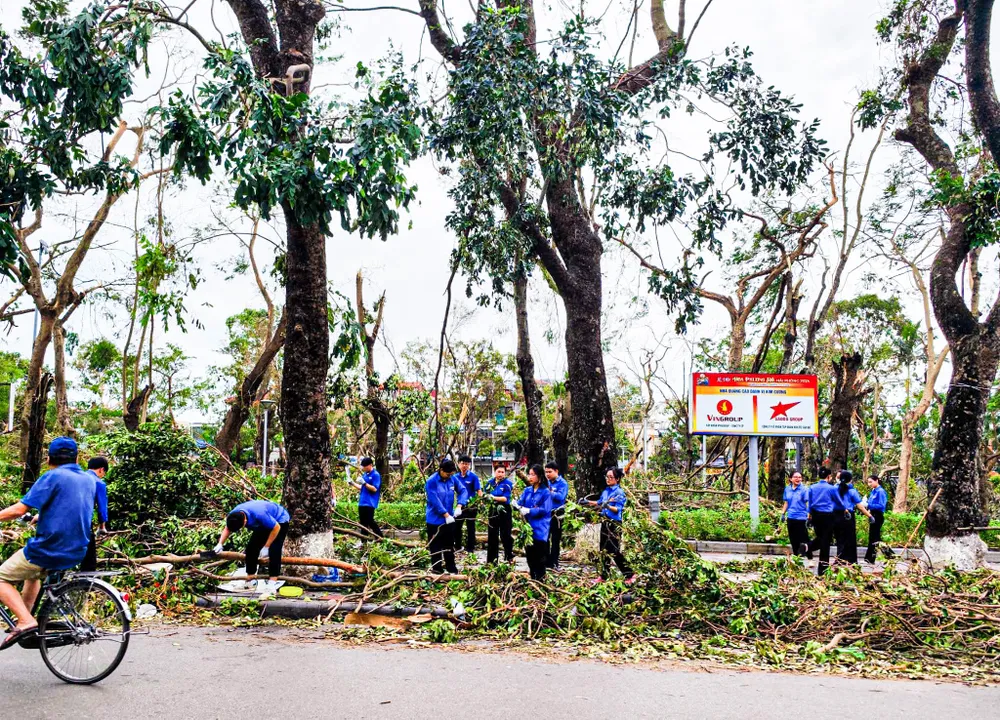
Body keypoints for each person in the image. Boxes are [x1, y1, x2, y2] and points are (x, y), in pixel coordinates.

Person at [0, 437, 96, 649]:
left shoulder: (52, 476)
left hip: (50, 549)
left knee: (1, 578)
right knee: (32, 574)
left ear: (49, 459)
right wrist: (40, 517)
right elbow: (72, 507)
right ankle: (22, 619)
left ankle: (26, 621)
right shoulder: (89, 479)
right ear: (77, 458)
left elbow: (18, 510)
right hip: (77, 549)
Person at [214, 500, 290, 591]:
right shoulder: (233, 515)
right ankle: (251, 580)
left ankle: (272, 582)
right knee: (251, 549)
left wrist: (266, 546)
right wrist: (220, 544)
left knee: (274, 549)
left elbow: (276, 527)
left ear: (245, 521)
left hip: (279, 520)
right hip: (263, 524)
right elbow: (227, 528)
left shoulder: (260, 514)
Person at [587, 467, 635, 584]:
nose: (608, 479)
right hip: (605, 522)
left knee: (614, 550)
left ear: (617, 479)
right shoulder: (606, 491)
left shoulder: (619, 493)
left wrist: (607, 506)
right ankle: (604, 576)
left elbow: (617, 509)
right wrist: (586, 502)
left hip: (614, 523)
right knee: (603, 549)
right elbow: (599, 503)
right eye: (607, 477)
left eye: (611, 477)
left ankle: (630, 574)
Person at [424, 460, 468, 574]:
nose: (449, 476)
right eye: (448, 474)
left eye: (451, 474)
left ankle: (451, 568)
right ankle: (437, 569)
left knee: (449, 544)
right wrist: (445, 514)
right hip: (435, 519)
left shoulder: (452, 479)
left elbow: (463, 490)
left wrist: (459, 505)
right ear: (441, 470)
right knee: (435, 546)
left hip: (449, 519)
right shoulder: (431, 481)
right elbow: (434, 500)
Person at [512, 464, 552, 580]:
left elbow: (545, 509)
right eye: (529, 474)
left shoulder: (545, 492)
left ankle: (540, 580)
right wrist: (516, 505)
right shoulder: (527, 491)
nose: (530, 477)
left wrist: (529, 510)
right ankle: (533, 578)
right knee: (530, 557)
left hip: (540, 528)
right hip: (528, 529)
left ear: (539, 476)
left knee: (540, 558)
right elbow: (521, 503)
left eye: (533, 474)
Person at [832, 470, 874, 566]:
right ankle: (851, 561)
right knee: (850, 539)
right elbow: (859, 506)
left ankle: (840, 560)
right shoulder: (852, 491)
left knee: (839, 539)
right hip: (848, 517)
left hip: (836, 516)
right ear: (850, 480)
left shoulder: (834, 489)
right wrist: (869, 516)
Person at [81, 456, 110, 572]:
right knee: (89, 558)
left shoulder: (76, 478)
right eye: (104, 473)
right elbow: (102, 508)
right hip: (83, 523)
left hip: (62, 521)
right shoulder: (98, 483)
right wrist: (102, 527)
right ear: (101, 469)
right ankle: (85, 586)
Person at [807, 469, 839, 575]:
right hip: (827, 516)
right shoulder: (831, 488)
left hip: (816, 515)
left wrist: (809, 515)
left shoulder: (812, 487)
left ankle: (808, 546)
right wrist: (845, 508)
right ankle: (822, 569)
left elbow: (810, 503)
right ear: (829, 476)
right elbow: (838, 501)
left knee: (821, 537)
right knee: (825, 541)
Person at [484, 465, 514, 564]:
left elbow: (505, 498)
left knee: (505, 535)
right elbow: (485, 495)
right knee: (492, 535)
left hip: (504, 510)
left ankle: (509, 555)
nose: (500, 474)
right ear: (494, 472)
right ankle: (492, 561)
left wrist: (493, 497)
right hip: (493, 510)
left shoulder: (508, 484)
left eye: (502, 472)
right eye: (498, 471)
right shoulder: (490, 483)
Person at [348, 457, 383, 538]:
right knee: (363, 523)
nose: (363, 468)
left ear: (370, 465)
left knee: (370, 521)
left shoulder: (375, 475)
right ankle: (364, 541)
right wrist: (352, 483)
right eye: (363, 466)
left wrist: (364, 483)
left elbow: (374, 489)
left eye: (365, 466)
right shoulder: (365, 474)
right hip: (362, 502)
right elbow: (362, 487)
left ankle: (380, 538)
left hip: (370, 502)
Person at [781, 470, 811, 558]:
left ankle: (810, 557)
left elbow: (808, 503)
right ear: (790, 479)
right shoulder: (787, 489)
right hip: (791, 517)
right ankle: (796, 557)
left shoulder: (804, 489)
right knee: (793, 539)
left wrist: (809, 516)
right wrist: (783, 513)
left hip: (801, 517)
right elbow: (786, 502)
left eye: (800, 477)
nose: (798, 479)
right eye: (795, 477)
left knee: (804, 539)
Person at [454, 455, 481, 552]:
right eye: (462, 463)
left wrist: (480, 501)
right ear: (459, 464)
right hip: (459, 506)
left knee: (471, 527)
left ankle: (470, 548)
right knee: (457, 526)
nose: (464, 466)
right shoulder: (455, 477)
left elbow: (478, 490)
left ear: (469, 465)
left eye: (466, 464)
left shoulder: (473, 477)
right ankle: (457, 546)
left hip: (471, 506)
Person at [545, 461, 569, 569]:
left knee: (555, 539)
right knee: (545, 538)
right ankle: (546, 561)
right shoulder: (547, 482)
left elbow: (560, 497)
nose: (547, 474)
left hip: (557, 513)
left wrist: (549, 492)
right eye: (546, 472)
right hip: (546, 512)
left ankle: (554, 563)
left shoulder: (562, 483)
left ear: (556, 471)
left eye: (550, 472)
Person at [864, 474, 888, 564]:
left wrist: (869, 505)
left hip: (878, 515)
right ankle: (869, 558)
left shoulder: (880, 491)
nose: (869, 484)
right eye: (868, 482)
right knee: (873, 537)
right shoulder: (873, 491)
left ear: (876, 480)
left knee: (875, 538)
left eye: (871, 482)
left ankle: (889, 556)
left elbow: (881, 505)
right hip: (872, 514)